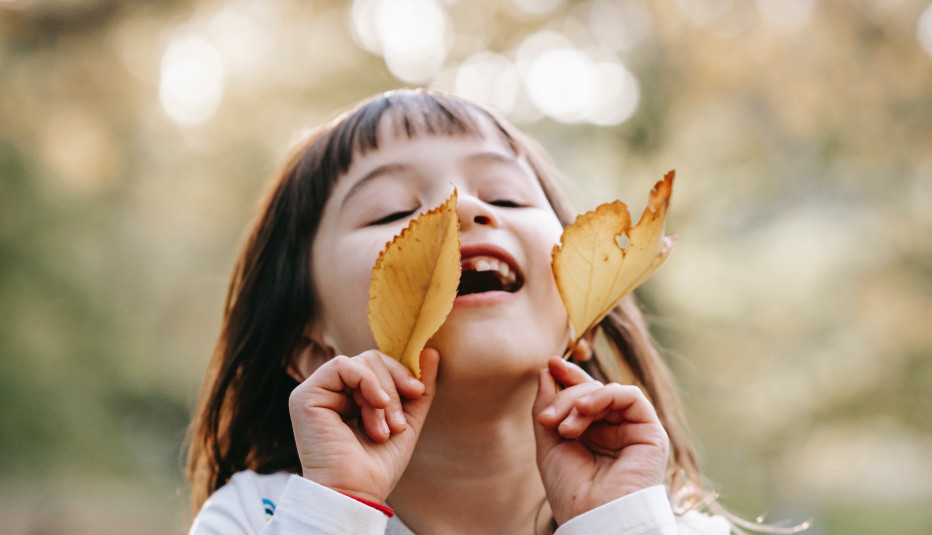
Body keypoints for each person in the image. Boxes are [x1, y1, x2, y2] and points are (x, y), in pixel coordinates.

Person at [185, 89, 732, 535]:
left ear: (581, 320)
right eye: (392, 212)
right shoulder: (260, 519)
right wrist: (336, 508)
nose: (464, 208)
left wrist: (615, 525)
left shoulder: (663, 526)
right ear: (311, 348)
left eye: (507, 197)